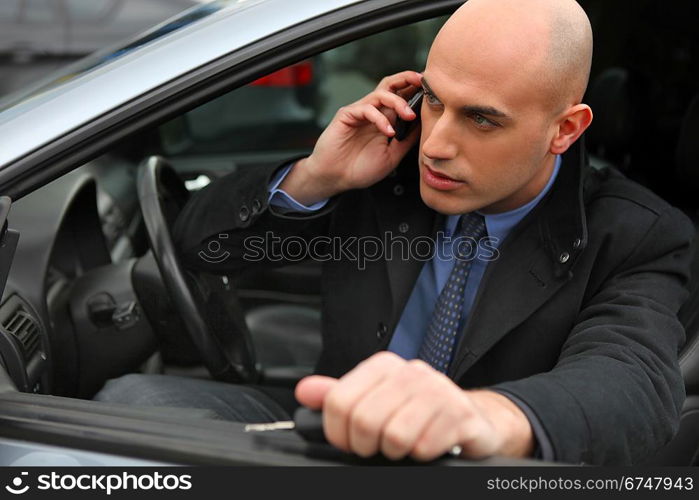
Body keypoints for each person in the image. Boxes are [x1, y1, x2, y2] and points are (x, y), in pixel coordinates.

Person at [96, 0, 694, 465]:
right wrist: (315, 176)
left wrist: (476, 420)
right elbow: (198, 248)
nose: (435, 144)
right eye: (433, 99)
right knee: (126, 412)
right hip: (328, 436)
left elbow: (633, 383)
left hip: (477, 470)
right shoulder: (387, 165)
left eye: (481, 118)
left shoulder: (637, 234)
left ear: (565, 129)